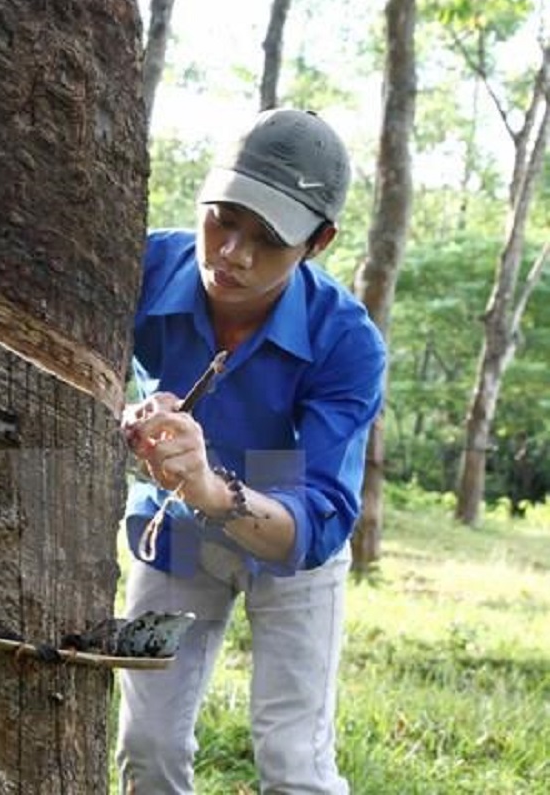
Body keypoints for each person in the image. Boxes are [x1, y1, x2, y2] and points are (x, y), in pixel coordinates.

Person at [117, 108, 386, 794]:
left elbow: (322, 516)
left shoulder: (347, 341)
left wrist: (212, 487)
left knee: (292, 759)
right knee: (146, 743)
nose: (232, 251)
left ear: (318, 242)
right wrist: (123, 418)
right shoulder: (141, 266)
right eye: (223, 218)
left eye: (266, 238)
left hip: (289, 534)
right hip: (172, 525)